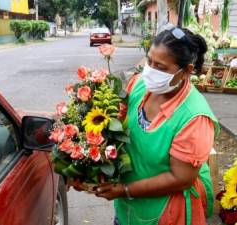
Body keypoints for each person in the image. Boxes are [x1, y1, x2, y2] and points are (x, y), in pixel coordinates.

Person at [90, 25, 219, 225]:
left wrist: (125, 190)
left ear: (187, 71)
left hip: (166, 212)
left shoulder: (194, 117)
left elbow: (180, 178)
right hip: (127, 207)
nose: (150, 70)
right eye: (149, 61)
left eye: (161, 67)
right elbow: (114, 125)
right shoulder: (140, 85)